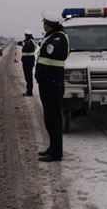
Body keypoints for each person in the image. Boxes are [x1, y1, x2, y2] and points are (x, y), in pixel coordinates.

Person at [34, 10, 70, 162]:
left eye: (44, 23)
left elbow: (52, 53)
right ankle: (52, 147)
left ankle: (56, 153)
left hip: (52, 83)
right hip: (47, 82)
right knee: (49, 118)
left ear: (49, 26)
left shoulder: (58, 38)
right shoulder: (51, 36)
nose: (43, 25)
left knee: (54, 118)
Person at [20, 29, 36, 96]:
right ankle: (29, 91)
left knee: (28, 77)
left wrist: (23, 43)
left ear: (26, 36)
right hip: (29, 60)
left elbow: (26, 45)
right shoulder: (31, 41)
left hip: (27, 61)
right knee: (28, 76)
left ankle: (29, 92)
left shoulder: (28, 42)